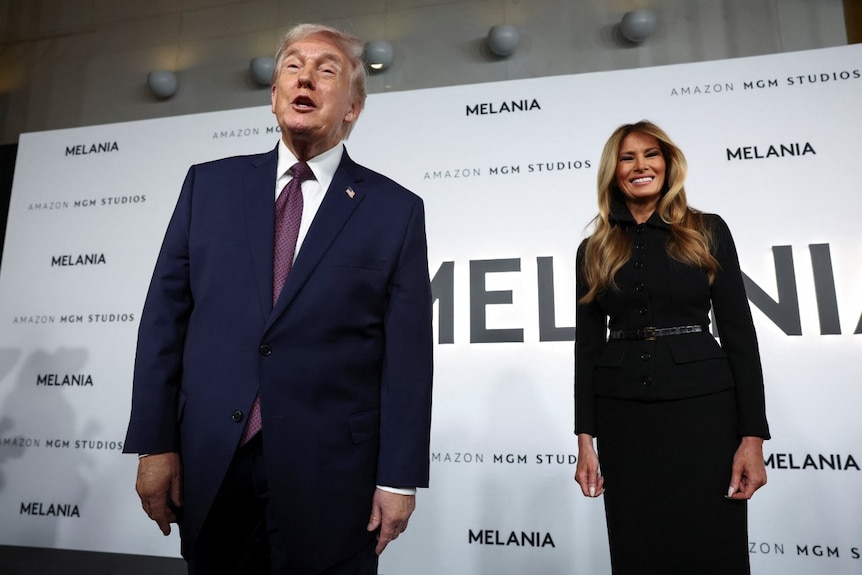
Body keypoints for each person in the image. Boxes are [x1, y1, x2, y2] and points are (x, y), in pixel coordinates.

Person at [124, 23, 434, 575]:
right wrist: (153, 443)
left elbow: (408, 358)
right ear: (273, 96)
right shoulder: (208, 186)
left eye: (326, 68)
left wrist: (397, 477)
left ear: (353, 109)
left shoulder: (395, 210)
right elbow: (163, 322)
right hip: (213, 462)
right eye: (292, 66)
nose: (304, 77)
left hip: (334, 476)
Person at [573, 121, 769, 574]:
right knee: (637, 550)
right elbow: (587, 348)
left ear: (668, 164)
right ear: (613, 171)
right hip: (625, 423)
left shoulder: (706, 230)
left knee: (713, 548)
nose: (641, 166)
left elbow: (739, 334)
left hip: (704, 417)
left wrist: (752, 438)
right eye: (627, 157)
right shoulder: (594, 248)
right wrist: (585, 439)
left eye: (651, 155)